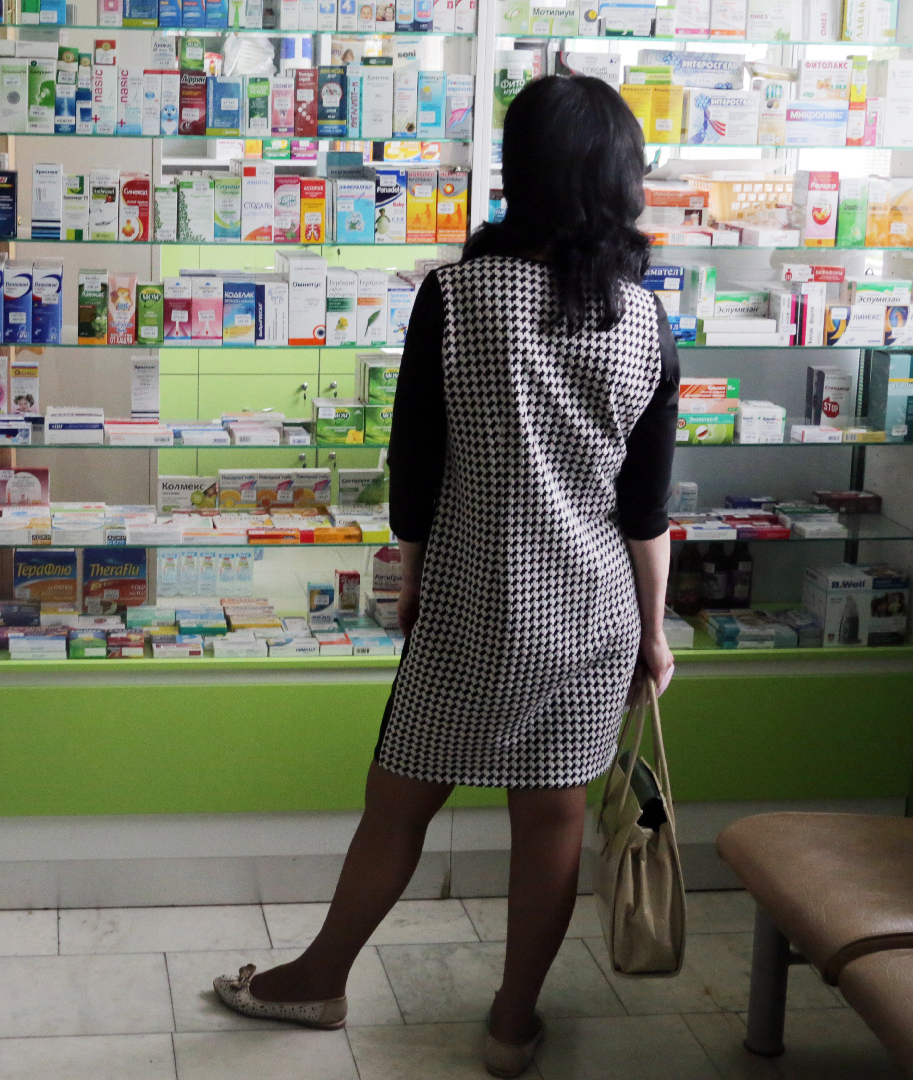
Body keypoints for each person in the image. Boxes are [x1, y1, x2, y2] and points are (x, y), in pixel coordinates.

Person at [211, 74, 679, 1079]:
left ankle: (317, 978)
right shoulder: (645, 319)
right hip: (594, 614)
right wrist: (653, 632)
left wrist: (411, 575)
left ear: (519, 172)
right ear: (621, 179)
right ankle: (511, 1025)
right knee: (550, 817)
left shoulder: (459, 296)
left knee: (399, 803)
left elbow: (416, 463)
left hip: (477, 598)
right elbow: (645, 509)